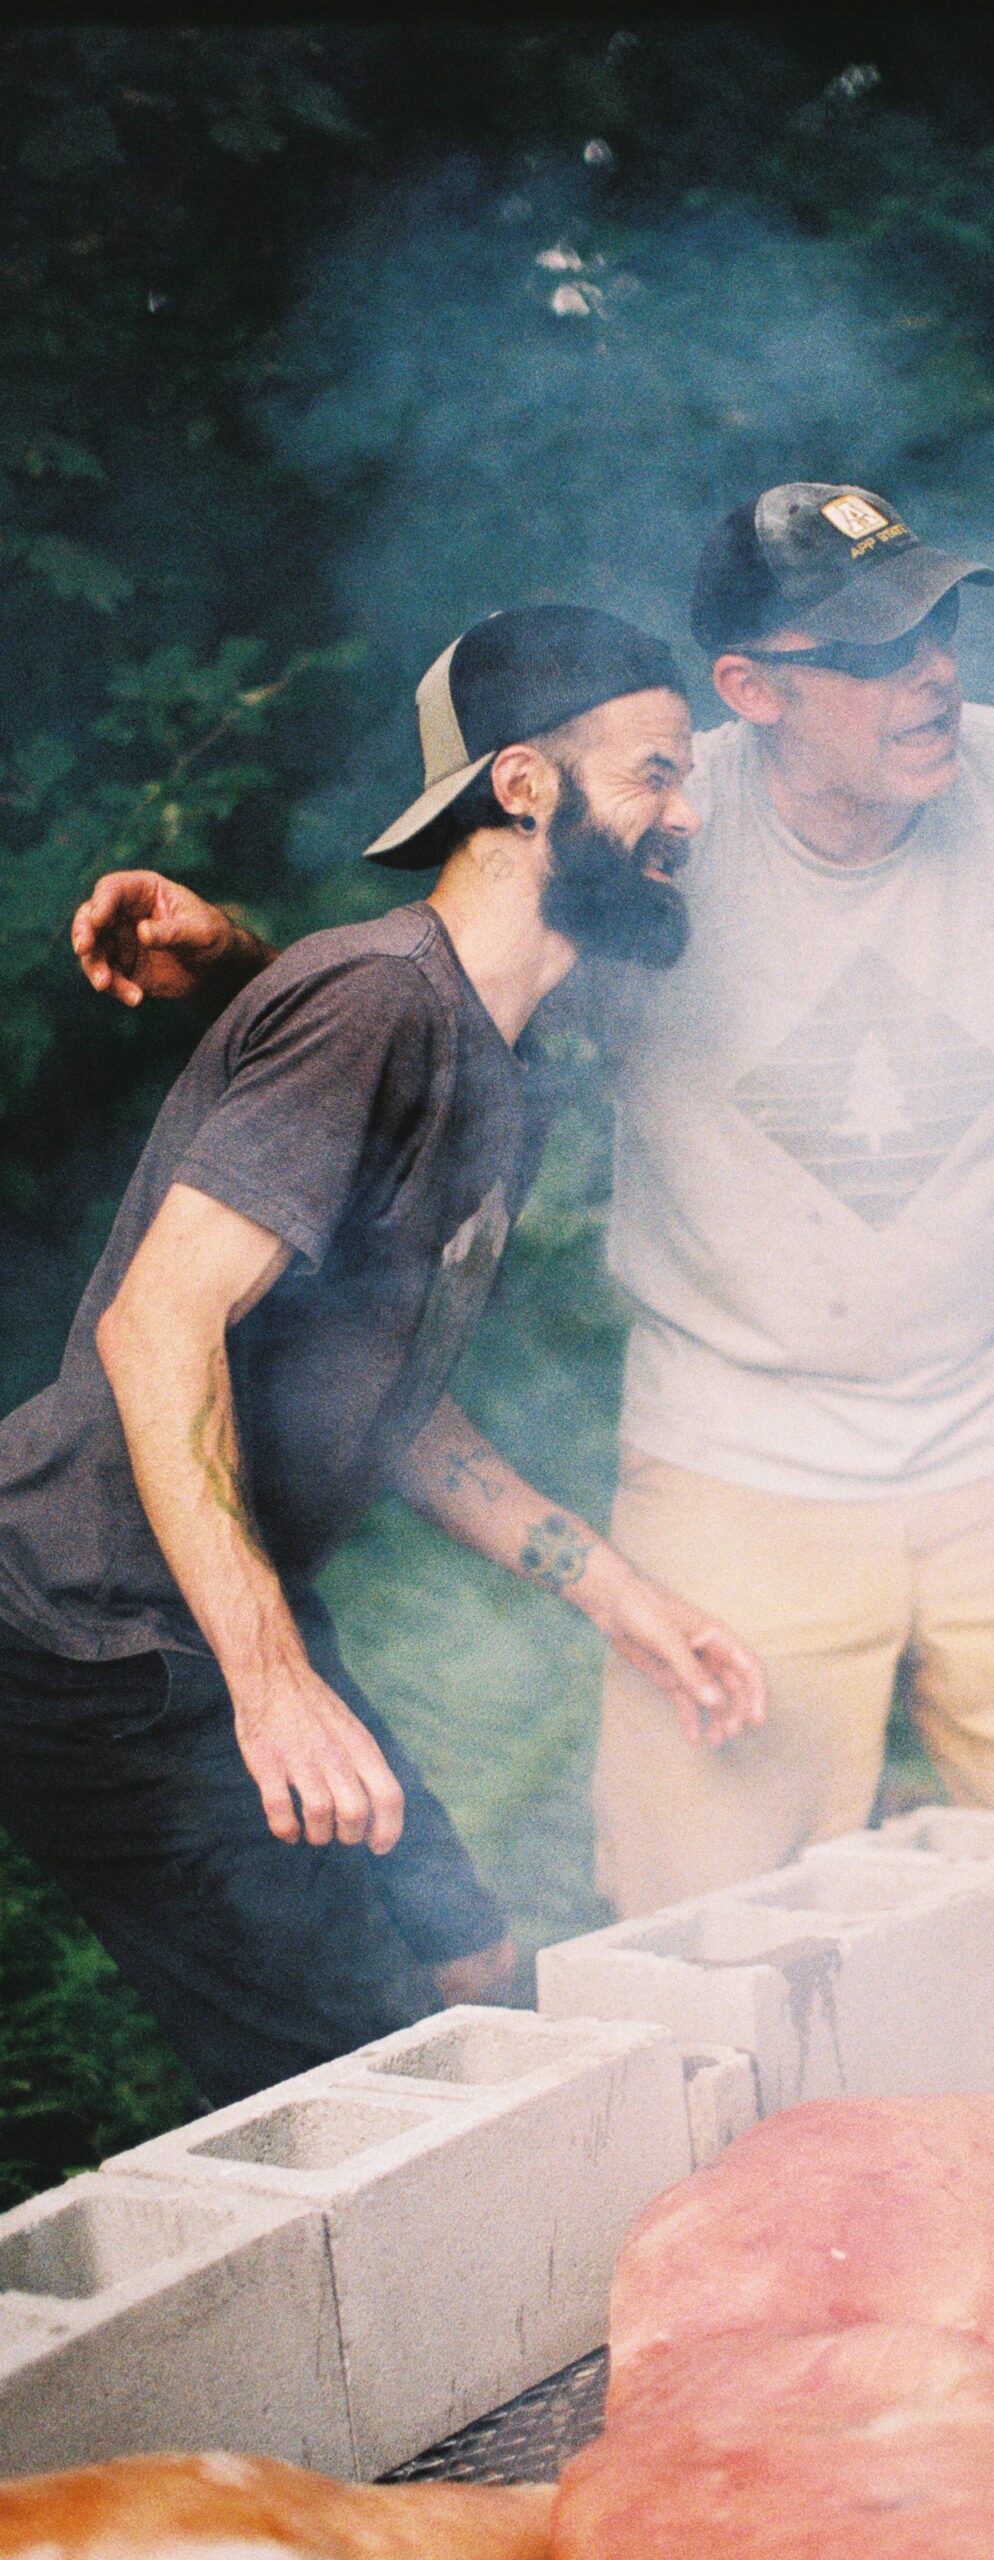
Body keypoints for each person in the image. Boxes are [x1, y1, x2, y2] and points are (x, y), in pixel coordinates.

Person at [73, 484, 994, 1920]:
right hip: (734, 1463)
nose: (933, 673)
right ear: (752, 688)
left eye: (942, 627)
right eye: (877, 648)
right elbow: (440, 994)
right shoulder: (649, 824)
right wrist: (240, 967)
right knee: (693, 1940)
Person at [1, 603, 763, 2102]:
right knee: (386, 2092)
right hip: (96, 1642)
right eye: (657, 774)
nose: (688, 816)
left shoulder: (482, 1053)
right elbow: (158, 1324)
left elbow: (388, 1400)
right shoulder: (380, 1006)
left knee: (474, 1965)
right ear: (524, 786)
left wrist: (617, 1595)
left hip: (210, 1613)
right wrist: (272, 1682)